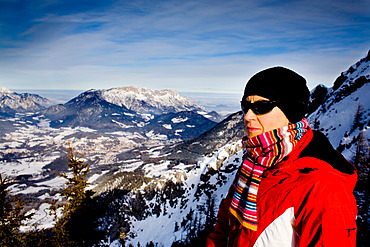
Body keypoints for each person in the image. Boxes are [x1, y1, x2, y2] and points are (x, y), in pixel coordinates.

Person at [206, 67, 358, 246]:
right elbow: (225, 227)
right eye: (245, 106)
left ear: (290, 111)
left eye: (261, 107)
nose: (248, 116)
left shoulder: (322, 185)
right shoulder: (254, 163)